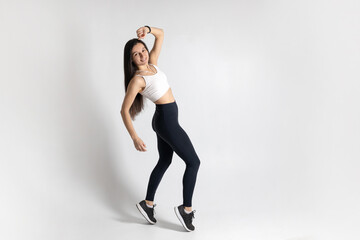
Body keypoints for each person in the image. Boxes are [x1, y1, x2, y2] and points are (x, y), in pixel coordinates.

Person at [120, 25, 201, 232]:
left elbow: (161, 34)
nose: (141, 56)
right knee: (193, 162)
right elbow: (124, 110)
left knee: (165, 160)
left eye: (143, 50)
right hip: (166, 122)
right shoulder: (138, 80)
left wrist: (147, 29)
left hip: (165, 119)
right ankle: (187, 209)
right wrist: (134, 137)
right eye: (136, 54)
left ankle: (147, 205)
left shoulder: (153, 65)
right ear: (131, 60)